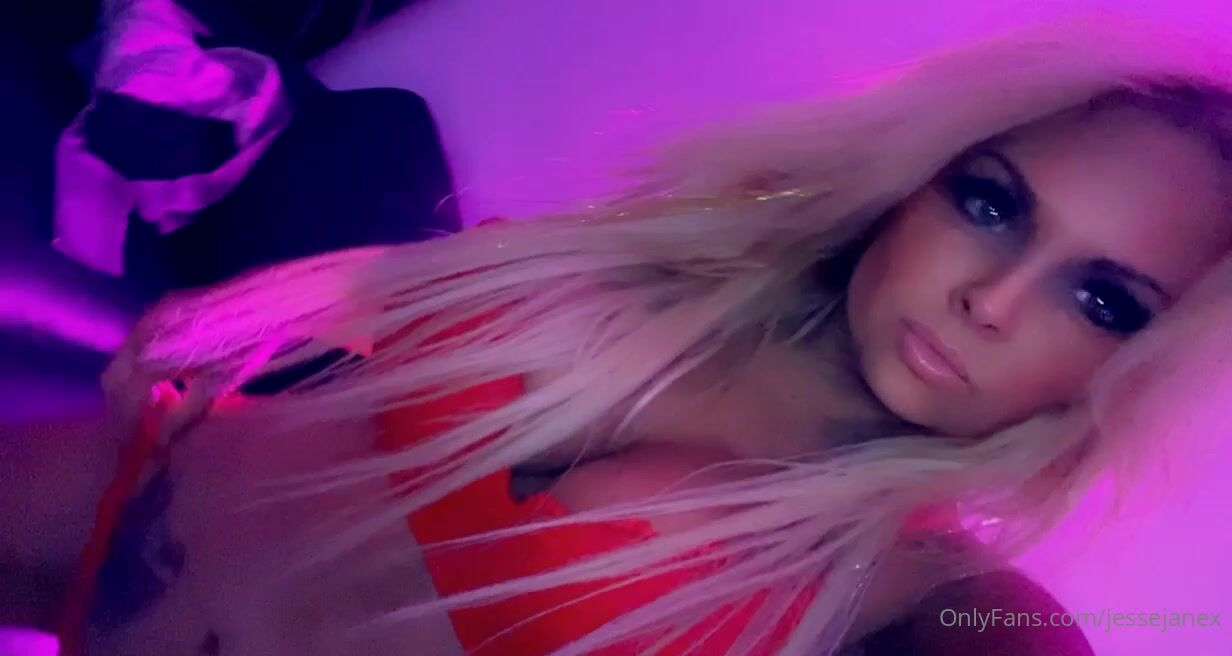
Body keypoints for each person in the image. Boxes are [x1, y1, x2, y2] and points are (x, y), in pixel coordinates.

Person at [5, 16, 1232, 656]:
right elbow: (421, 302)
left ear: (1135, 373)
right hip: (104, 509)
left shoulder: (931, 602)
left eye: (1102, 301)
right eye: (991, 203)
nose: (991, 299)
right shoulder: (655, 261)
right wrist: (316, 293)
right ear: (919, 176)